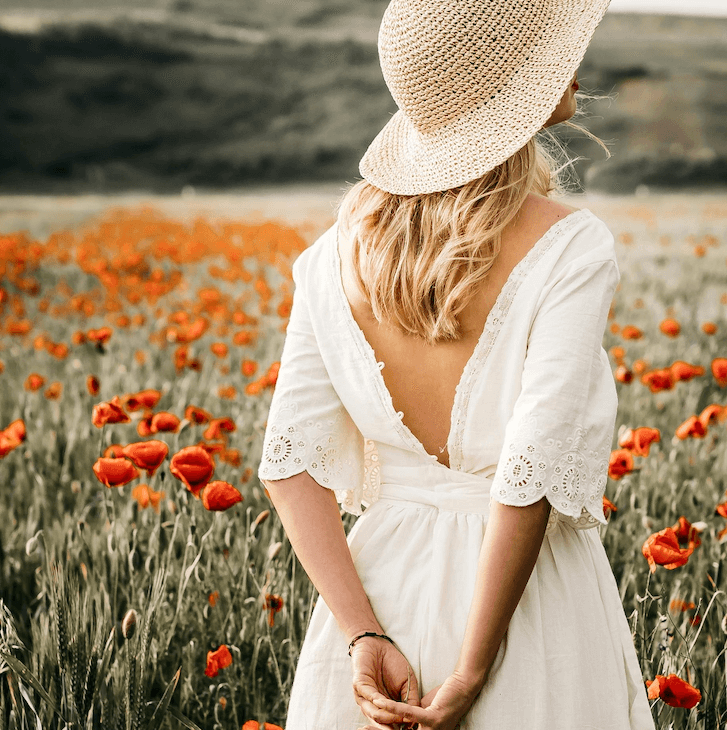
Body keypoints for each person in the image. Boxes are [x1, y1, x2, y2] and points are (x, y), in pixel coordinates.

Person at [257, 1, 657, 728]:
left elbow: (289, 467)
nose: (574, 58)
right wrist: (474, 671)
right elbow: (528, 475)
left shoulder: (329, 259)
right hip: (527, 608)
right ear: (515, 86)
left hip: (379, 596)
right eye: (547, 47)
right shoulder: (572, 245)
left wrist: (362, 634)